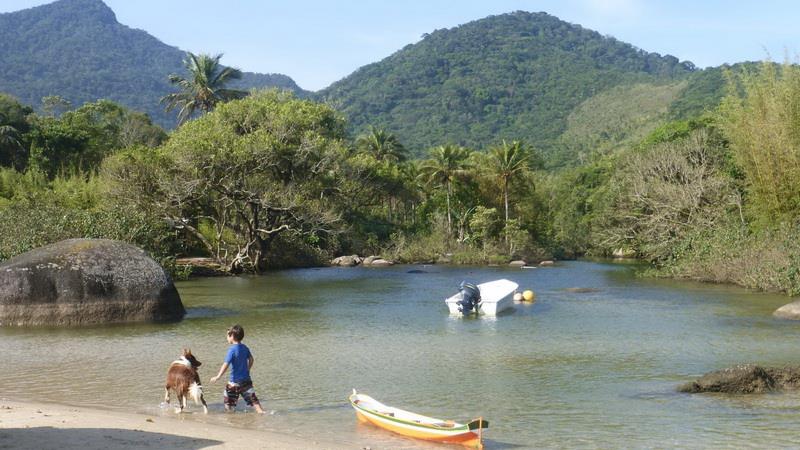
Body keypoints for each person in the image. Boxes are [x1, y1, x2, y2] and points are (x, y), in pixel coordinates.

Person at [209, 324, 265, 413]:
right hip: (246, 381)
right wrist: (248, 369)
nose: (227, 337)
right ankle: (262, 413)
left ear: (232, 336)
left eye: (228, 335)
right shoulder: (245, 348)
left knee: (228, 403)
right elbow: (251, 359)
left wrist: (218, 376)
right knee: (254, 401)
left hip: (234, 383)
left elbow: (225, 364)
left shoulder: (232, 350)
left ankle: (232, 419)